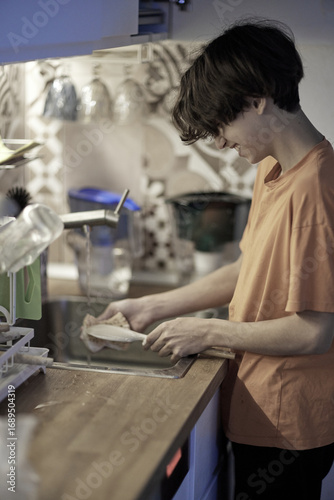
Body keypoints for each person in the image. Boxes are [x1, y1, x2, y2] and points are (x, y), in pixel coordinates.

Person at [98, 20, 334, 499]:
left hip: (289, 422)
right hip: (258, 403)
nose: (221, 141)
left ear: (256, 100)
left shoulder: (316, 189)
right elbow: (249, 268)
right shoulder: (274, 167)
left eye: (222, 125)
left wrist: (206, 331)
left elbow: (315, 330)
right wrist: (156, 306)